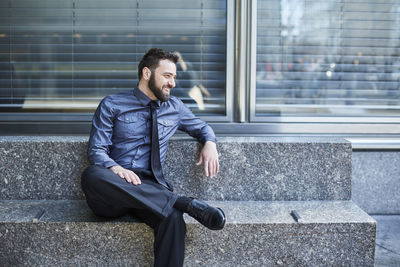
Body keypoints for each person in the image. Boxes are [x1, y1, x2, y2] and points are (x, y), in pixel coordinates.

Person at [81, 48, 226, 267]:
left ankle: (175, 205)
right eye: (167, 76)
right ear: (147, 74)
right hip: (114, 189)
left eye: (174, 77)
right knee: (91, 175)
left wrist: (210, 143)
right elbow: (96, 150)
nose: (173, 83)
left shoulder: (174, 107)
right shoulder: (112, 105)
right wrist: (115, 169)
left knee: (174, 218)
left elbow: (202, 127)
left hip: (151, 188)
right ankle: (182, 202)